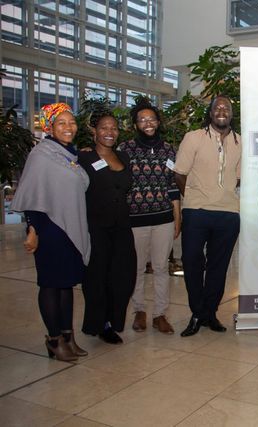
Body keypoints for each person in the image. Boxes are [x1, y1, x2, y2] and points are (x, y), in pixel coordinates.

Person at [11, 103, 90, 361]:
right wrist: (33, 229)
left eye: (72, 122)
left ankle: (68, 336)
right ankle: (54, 339)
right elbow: (33, 193)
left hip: (70, 227)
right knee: (50, 284)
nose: (69, 127)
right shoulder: (42, 154)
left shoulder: (69, 154)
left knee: (66, 285)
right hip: (50, 228)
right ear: (50, 127)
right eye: (61, 123)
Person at [174, 95, 241, 337]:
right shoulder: (193, 138)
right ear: (210, 112)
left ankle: (209, 313)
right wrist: (194, 196)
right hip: (196, 212)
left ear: (231, 114)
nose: (222, 110)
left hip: (228, 214)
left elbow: (239, 177)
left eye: (226, 107)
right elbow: (179, 173)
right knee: (192, 263)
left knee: (218, 267)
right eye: (217, 107)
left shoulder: (239, 142)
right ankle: (197, 312)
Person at [119, 99, 181, 335]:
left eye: (151, 119)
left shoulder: (168, 150)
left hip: (163, 218)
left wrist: (177, 217)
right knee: (135, 268)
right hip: (134, 220)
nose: (147, 123)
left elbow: (172, 186)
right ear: (136, 124)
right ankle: (139, 311)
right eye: (142, 119)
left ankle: (160, 314)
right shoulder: (125, 149)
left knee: (161, 267)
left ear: (158, 121)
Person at [78, 111, 136, 344]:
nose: (109, 132)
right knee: (96, 277)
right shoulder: (84, 158)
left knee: (123, 276)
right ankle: (99, 323)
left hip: (122, 226)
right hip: (96, 227)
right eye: (104, 128)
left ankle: (113, 320)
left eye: (114, 128)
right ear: (94, 131)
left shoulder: (124, 157)